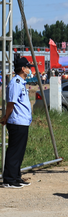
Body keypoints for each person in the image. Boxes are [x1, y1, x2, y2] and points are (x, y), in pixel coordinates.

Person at [2, 56, 33, 189]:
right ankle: (9, 179)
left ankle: (16, 177)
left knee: (19, 152)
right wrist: (5, 117)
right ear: (23, 69)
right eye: (28, 67)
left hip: (23, 122)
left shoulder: (21, 83)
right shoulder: (15, 82)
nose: (29, 69)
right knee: (14, 151)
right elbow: (11, 103)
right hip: (16, 122)